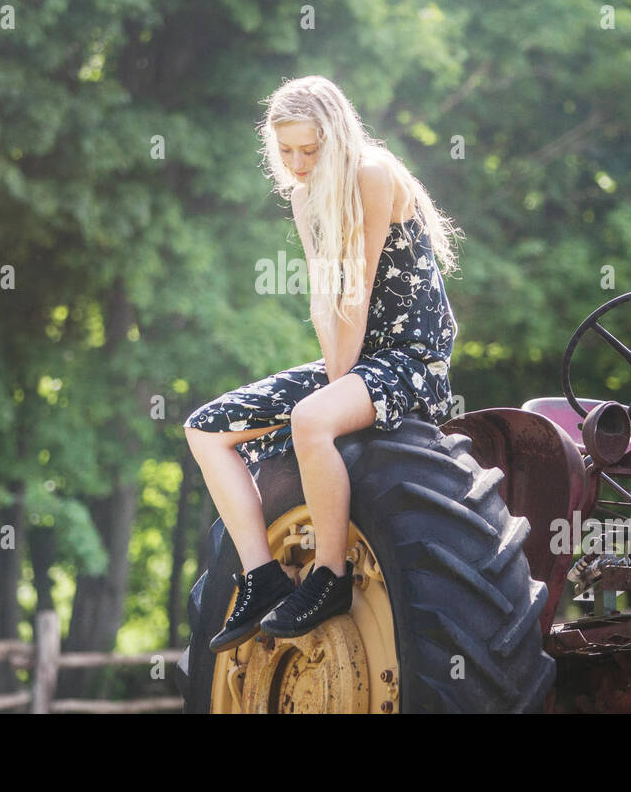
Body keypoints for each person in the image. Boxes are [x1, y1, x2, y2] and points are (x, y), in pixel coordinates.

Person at [183, 74, 461, 653]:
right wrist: (337, 374)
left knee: (312, 419)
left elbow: (354, 293)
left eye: (310, 149)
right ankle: (260, 577)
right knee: (205, 430)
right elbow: (325, 298)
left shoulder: (372, 175)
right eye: (286, 151)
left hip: (410, 358)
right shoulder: (305, 194)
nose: (298, 162)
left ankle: (330, 576)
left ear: (335, 138)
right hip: (359, 358)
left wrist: (336, 387)